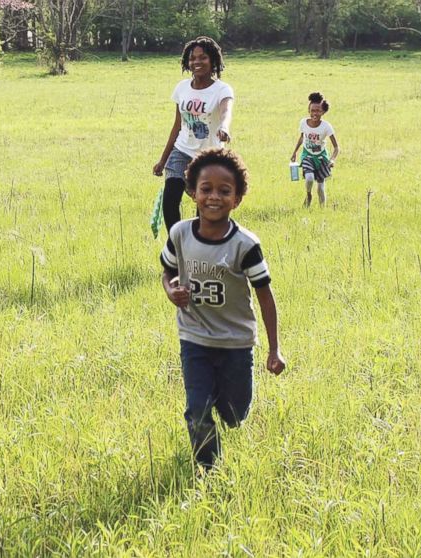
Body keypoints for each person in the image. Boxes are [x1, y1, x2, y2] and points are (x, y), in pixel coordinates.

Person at [159, 148, 286, 471]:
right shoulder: (180, 234)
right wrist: (171, 289)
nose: (214, 197)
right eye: (206, 189)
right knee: (197, 409)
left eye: (224, 191)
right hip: (195, 337)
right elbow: (168, 271)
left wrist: (274, 349)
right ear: (192, 192)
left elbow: (265, 296)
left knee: (234, 413)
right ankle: (208, 470)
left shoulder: (245, 244)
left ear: (237, 198)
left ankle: (226, 407)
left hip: (236, 342)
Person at [153, 37, 234, 233]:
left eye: (203, 57)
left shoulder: (222, 89)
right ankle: (176, 243)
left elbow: (226, 111)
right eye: (192, 58)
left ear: (213, 61)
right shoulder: (182, 88)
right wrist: (163, 160)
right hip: (181, 151)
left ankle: (200, 243)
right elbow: (177, 126)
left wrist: (224, 127)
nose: (197, 62)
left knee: (205, 204)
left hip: (209, 156)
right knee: (170, 199)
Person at [290, 92, 339, 207]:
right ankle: (308, 195)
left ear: (323, 112)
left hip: (321, 158)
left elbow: (337, 147)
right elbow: (302, 137)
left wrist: (332, 159)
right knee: (309, 178)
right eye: (312, 110)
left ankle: (322, 209)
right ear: (308, 110)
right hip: (307, 155)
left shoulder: (326, 126)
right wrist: (295, 152)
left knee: (321, 189)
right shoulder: (303, 123)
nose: (315, 113)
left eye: (318, 111)